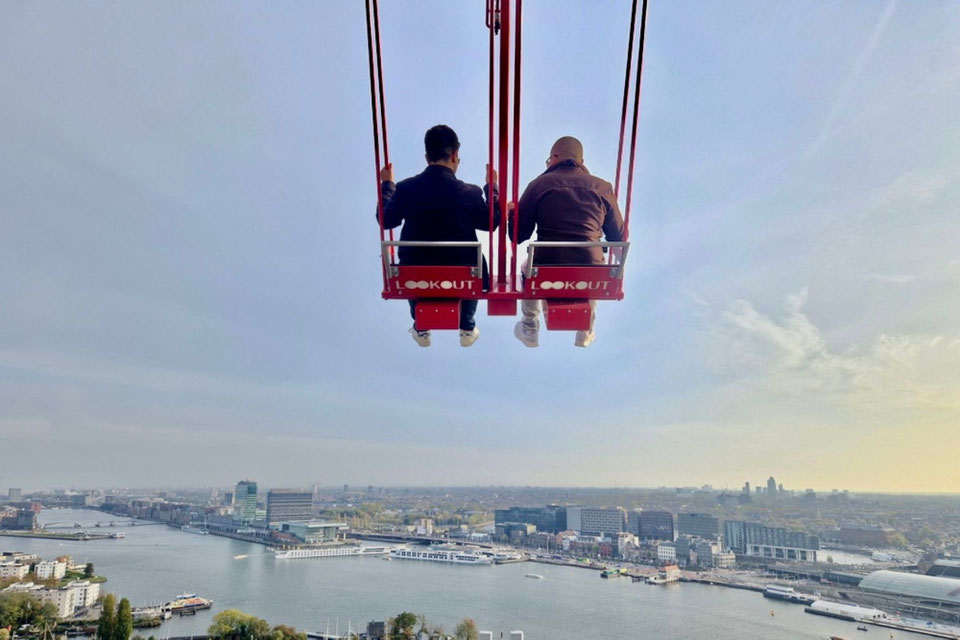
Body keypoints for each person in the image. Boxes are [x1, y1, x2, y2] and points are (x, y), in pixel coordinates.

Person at [378, 124, 499, 347]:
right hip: (462, 273)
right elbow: (491, 223)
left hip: (416, 272)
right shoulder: (470, 192)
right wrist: (492, 187)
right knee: (473, 264)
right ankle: (467, 323)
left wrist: (387, 185)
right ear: (455, 156)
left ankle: (421, 326)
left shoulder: (405, 189)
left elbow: (387, 220)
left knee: (413, 268)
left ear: (427, 157)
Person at [512, 136, 624, 348]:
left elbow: (518, 234)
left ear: (554, 157)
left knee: (527, 266)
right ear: (582, 160)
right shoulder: (603, 187)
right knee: (593, 269)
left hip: (547, 265)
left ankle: (529, 326)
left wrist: (511, 213)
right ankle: (586, 331)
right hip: (590, 267)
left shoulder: (538, 185)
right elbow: (619, 236)